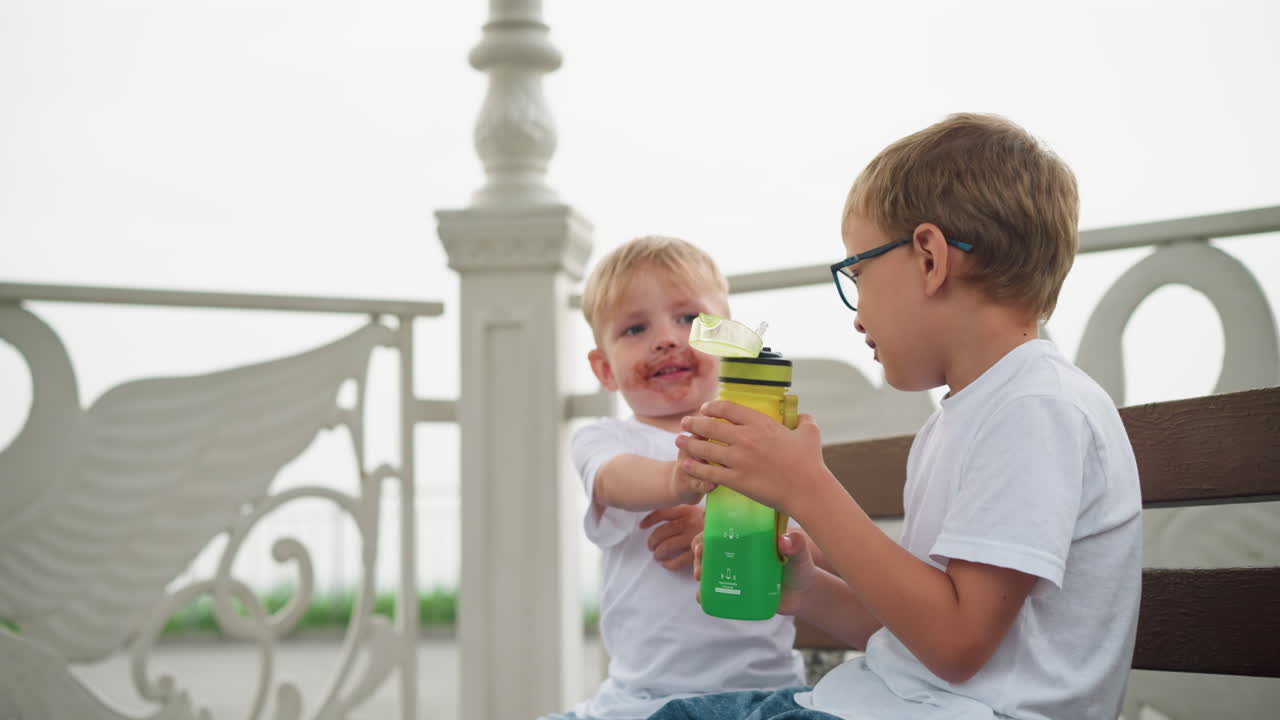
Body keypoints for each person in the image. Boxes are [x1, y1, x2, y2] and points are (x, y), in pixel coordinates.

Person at [662, 113, 1143, 720]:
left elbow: (957, 645)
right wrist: (811, 591)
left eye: (856, 274)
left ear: (929, 258)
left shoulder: (1036, 409)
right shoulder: (966, 417)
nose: (856, 313)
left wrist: (806, 486)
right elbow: (918, 638)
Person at [542, 235, 805, 720]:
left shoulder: (760, 437)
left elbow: (808, 532)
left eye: (689, 319)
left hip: (766, 692)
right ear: (605, 369)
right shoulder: (604, 439)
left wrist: (726, 532)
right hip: (644, 699)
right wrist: (681, 478)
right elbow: (613, 480)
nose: (666, 338)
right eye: (635, 328)